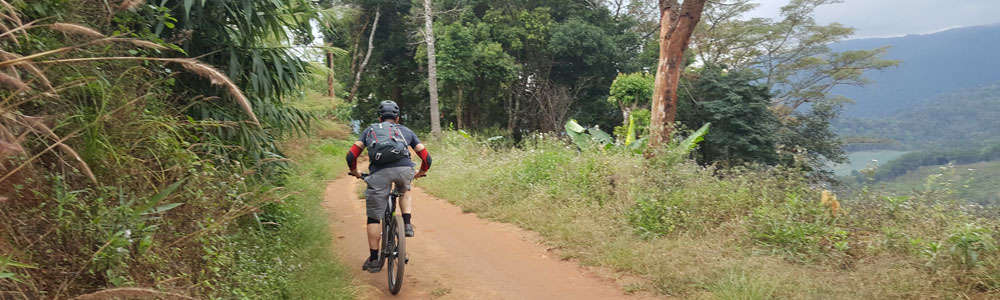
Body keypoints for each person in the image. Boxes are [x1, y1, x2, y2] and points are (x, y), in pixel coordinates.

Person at [345, 100, 432, 272]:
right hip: (404, 170)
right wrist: (420, 172)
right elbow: (426, 157)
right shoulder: (406, 131)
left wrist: (355, 172)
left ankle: (374, 259)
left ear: (379, 118)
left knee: (373, 218)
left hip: (379, 174)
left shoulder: (370, 130)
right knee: (404, 189)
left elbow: (351, 155)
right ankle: (407, 224)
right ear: (397, 119)